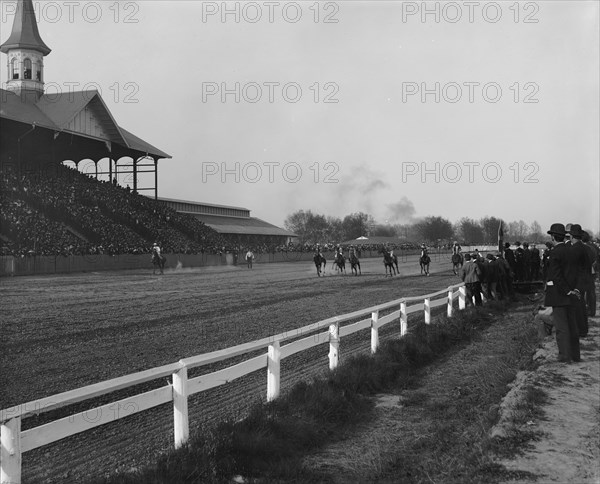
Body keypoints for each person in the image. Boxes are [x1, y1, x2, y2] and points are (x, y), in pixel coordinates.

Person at [543, 223, 580, 363]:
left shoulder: (555, 252)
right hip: (571, 293)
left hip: (559, 294)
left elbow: (556, 276)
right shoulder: (572, 250)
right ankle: (575, 355)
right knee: (572, 325)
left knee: (561, 327)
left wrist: (567, 291)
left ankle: (564, 356)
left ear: (552, 237)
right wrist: (573, 289)